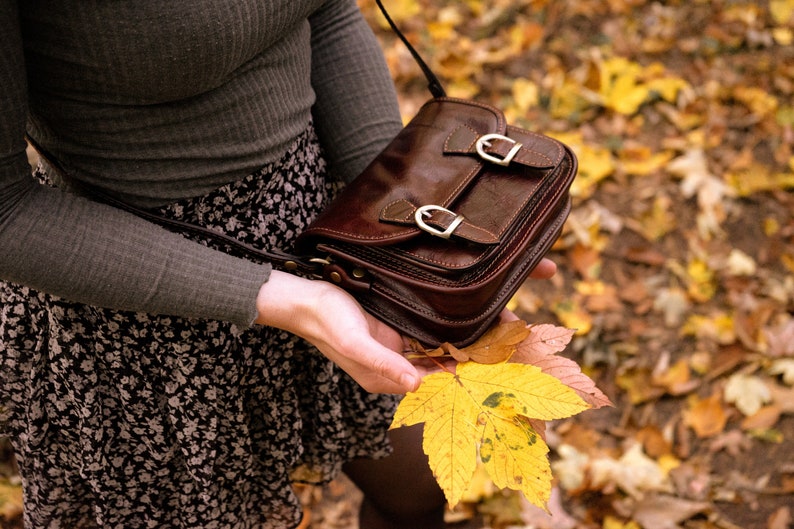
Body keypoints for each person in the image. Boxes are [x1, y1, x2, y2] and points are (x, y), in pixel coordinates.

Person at [0, 1, 557, 527]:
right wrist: (293, 301)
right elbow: (8, 213)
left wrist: (403, 236)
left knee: (415, 490)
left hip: (332, 247)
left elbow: (329, 14)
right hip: (143, 305)